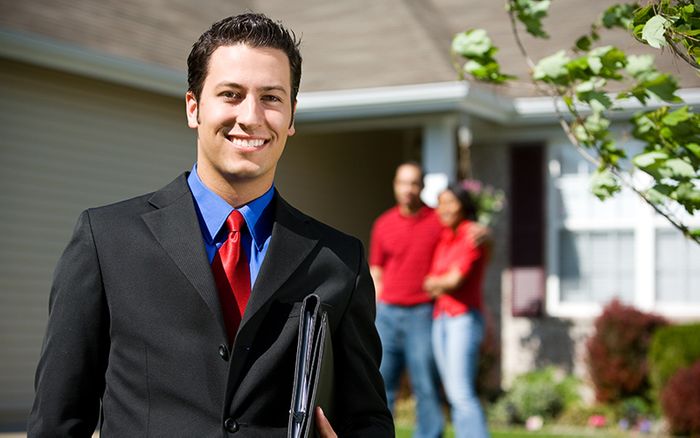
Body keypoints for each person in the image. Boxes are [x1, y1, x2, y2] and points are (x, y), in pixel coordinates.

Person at [28, 13, 394, 438]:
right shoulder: (105, 239)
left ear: (291, 116)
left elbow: (368, 419)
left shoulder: (339, 260)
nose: (252, 116)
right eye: (231, 94)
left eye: (272, 98)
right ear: (194, 107)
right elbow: (58, 419)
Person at [369, 162, 446, 438]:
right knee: (381, 385)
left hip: (422, 313)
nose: (408, 189)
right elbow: (376, 270)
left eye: (414, 183)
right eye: (403, 183)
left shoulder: (437, 221)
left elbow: (460, 247)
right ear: (395, 186)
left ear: (422, 186)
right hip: (387, 314)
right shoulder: (383, 224)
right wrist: (374, 311)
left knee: (425, 385)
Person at [423, 183, 490, 438]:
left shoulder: (470, 236)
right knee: (452, 391)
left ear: (463, 206)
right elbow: (436, 281)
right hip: (441, 318)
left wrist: (435, 282)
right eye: (440, 202)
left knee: (461, 392)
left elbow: (453, 280)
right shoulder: (444, 237)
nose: (444, 208)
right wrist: (437, 283)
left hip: (463, 318)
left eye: (450, 202)